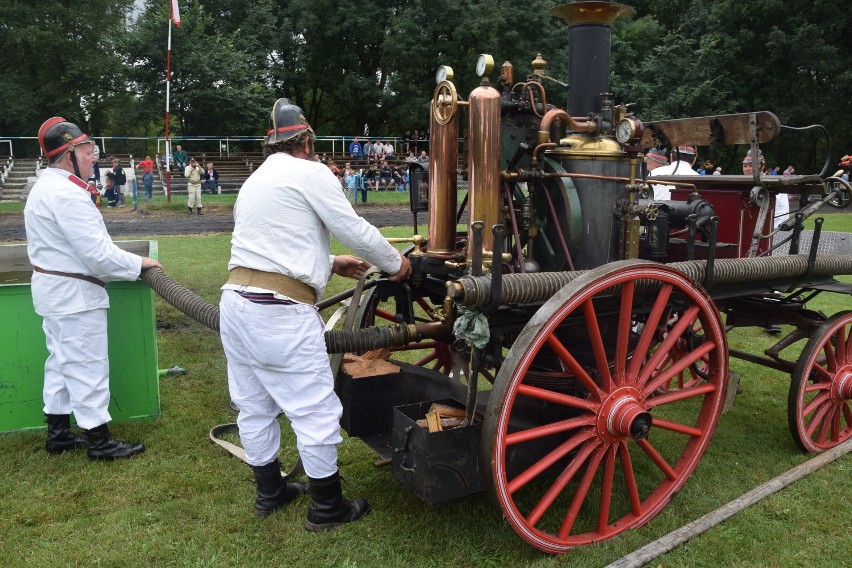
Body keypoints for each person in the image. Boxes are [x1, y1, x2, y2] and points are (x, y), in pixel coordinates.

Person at [219, 98, 411, 529]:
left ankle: (270, 492)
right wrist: (396, 263)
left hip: (235, 302)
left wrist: (329, 263)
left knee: (253, 405)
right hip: (278, 312)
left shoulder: (255, 181)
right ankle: (328, 508)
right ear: (306, 140)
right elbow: (354, 229)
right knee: (315, 411)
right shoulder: (311, 171)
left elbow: (271, 244)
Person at [24, 116, 162, 460]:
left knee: (61, 363)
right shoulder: (67, 194)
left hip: (57, 292)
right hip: (74, 296)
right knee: (87, 366)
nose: (93, 157)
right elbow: (98, 256)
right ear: (69, 153)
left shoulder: (49, 186)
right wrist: (139, 264)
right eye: (88, 150)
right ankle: (99, 441)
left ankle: (58, 434)